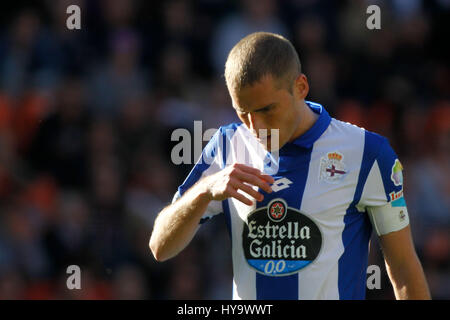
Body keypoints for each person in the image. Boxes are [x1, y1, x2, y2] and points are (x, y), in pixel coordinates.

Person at [149, 32, 431, 300]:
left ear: (301, 87)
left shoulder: (367, 153)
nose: (255, 126)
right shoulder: (226, 146)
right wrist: (205, 190)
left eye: (267, 110)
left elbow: (404, 268)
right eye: (242, 112)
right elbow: (160, 247)